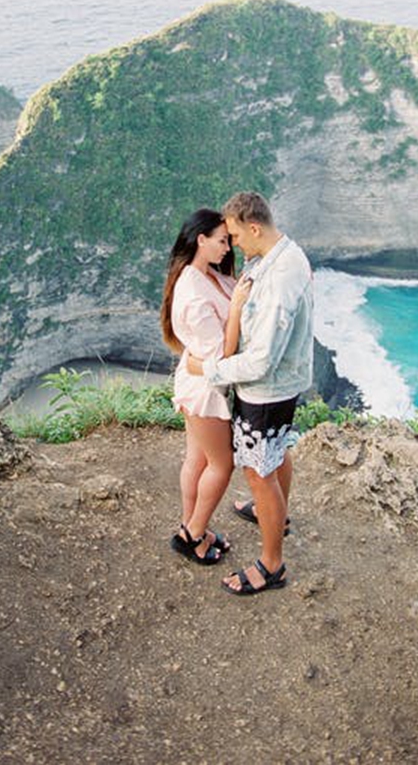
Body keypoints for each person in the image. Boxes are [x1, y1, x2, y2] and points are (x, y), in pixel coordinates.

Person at [187, 191, 313, 595]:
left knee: (259, 472)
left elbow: (260, 362)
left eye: (236, 236)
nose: (233, 244)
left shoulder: (278, 279)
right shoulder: (277, 256)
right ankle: (274, 513)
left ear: (254, 227)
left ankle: (271, 564)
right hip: (278, 387)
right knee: (275, 455)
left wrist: (207, 370)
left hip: (266, 391)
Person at [160, 208, 253, 565]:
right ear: (201, 240)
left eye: (229, 240)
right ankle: (191, 535)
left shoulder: (206, 275)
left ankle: (194, 526)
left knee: (198, 459)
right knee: (222, 464)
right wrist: (238, 308)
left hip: (196, 380)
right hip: (203, 388)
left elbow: (237, 287)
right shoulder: (193, 291)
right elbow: (220, 356)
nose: (227, 248)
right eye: (222, 241)